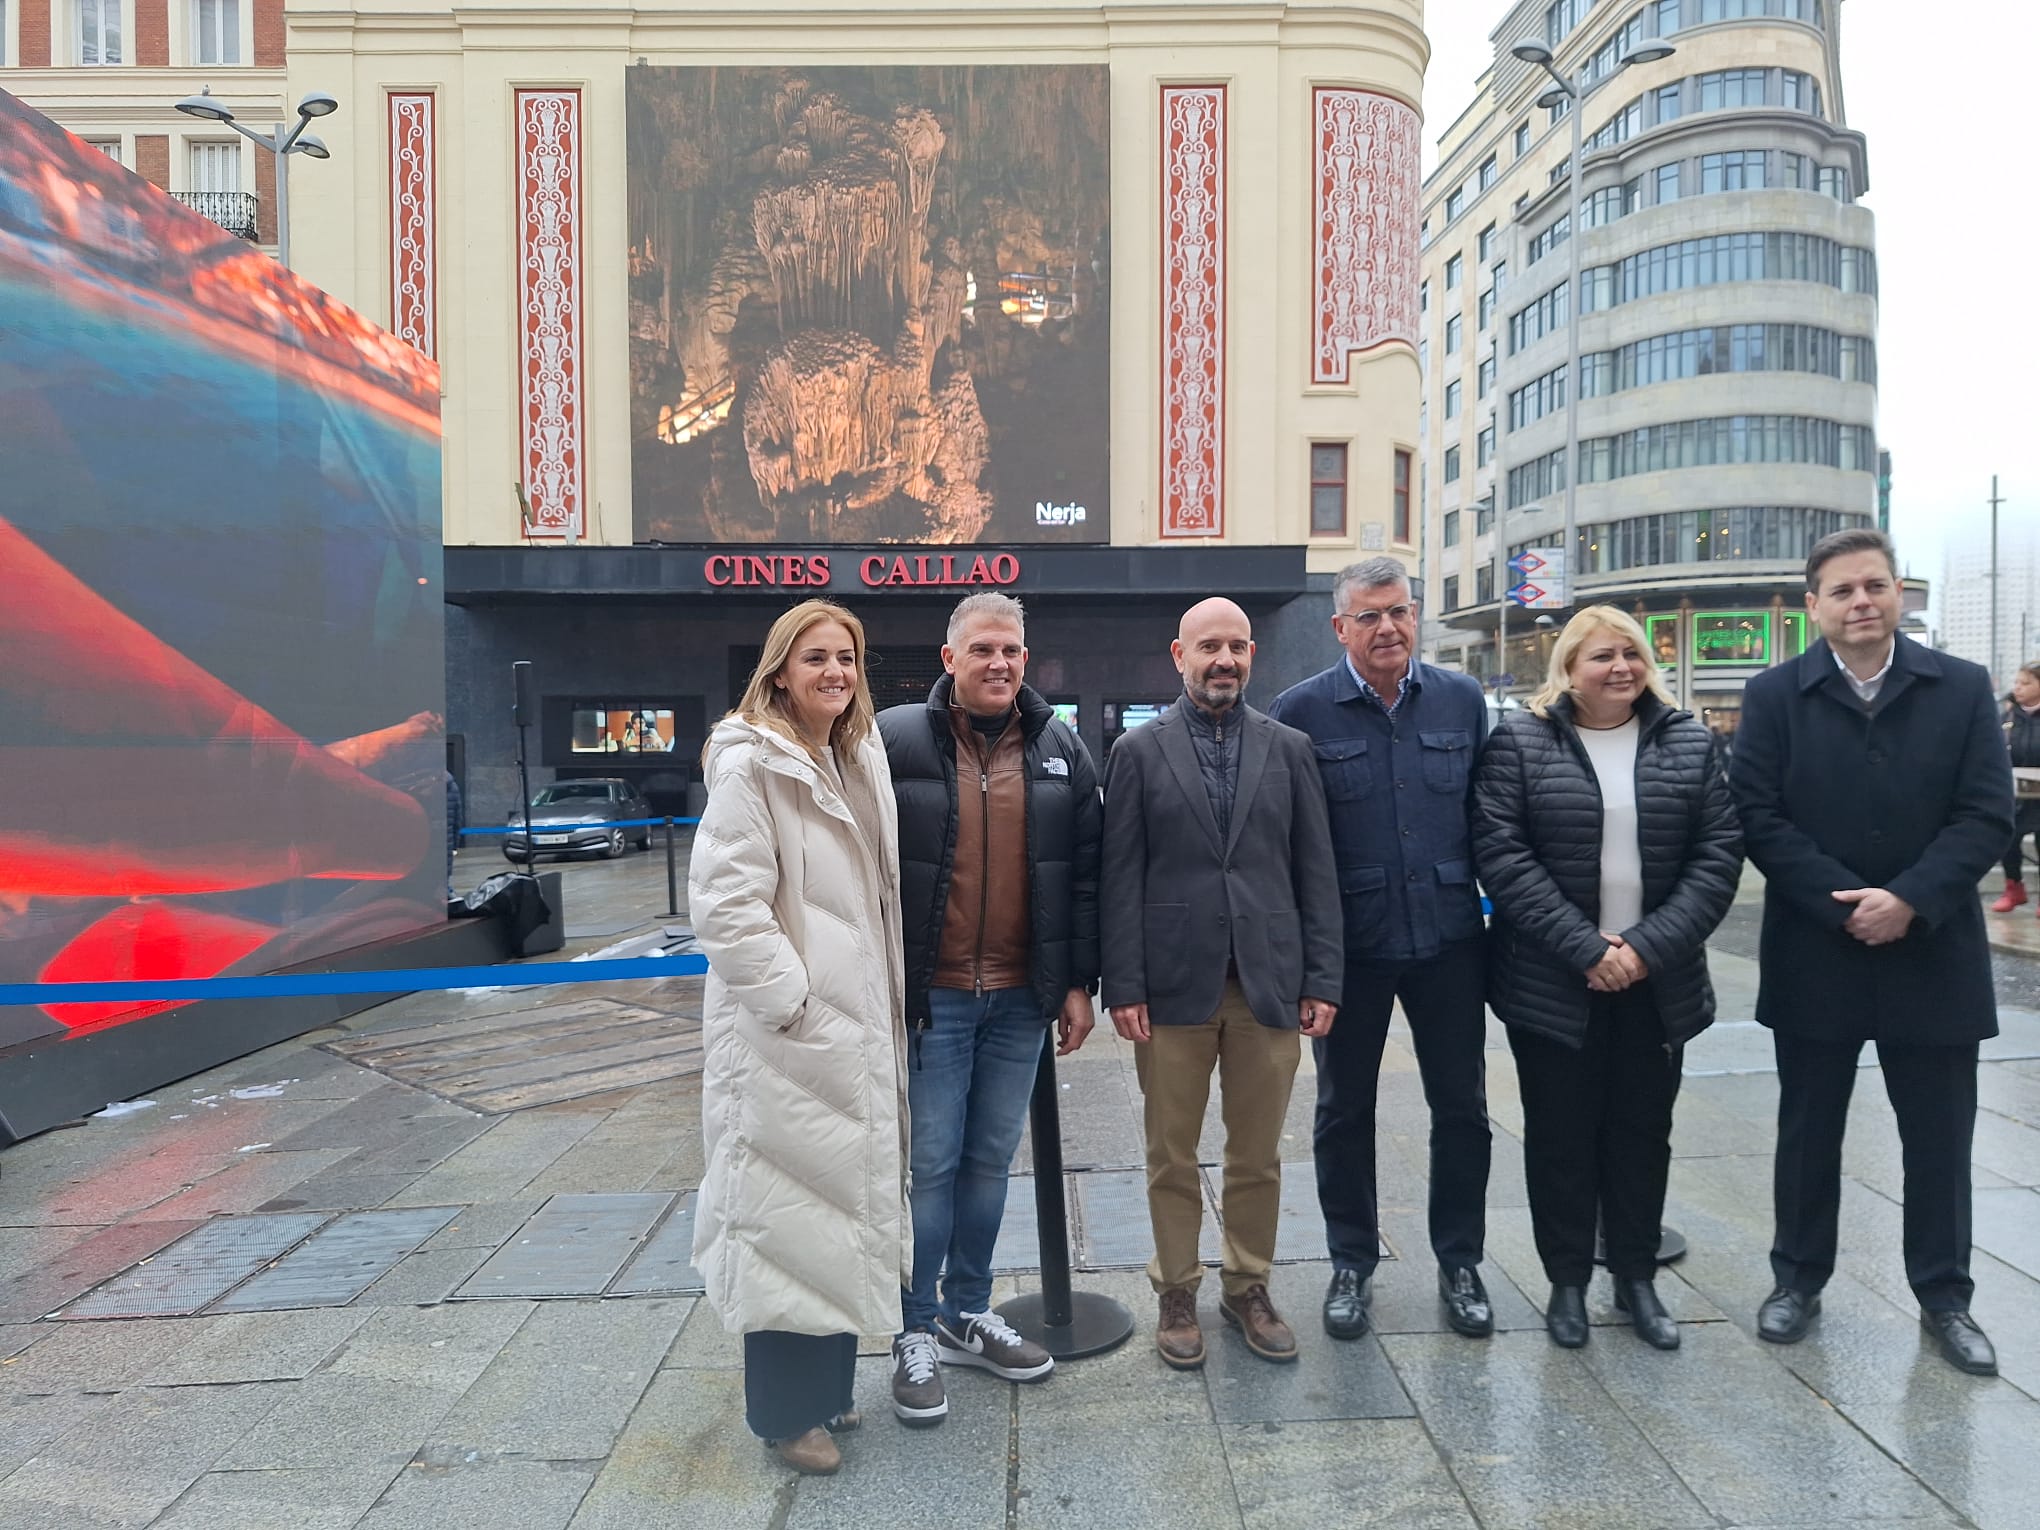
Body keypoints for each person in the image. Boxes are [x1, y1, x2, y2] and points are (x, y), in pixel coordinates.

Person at [1731, 529, 2013, 1376]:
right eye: (1843, 590)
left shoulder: (1960, 689)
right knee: (1809, 1130)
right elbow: (1758, 814)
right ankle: (1796, 1280)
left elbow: (1986, 813)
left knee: (1938, 1138)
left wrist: (1911, 900)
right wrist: (1843, 904)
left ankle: (1945, 1295)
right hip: (1820, 950)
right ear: (1813, 605)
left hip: (1933, 951)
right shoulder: (1776, 694)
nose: (1862, 602)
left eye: (1876, 587)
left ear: (1901, 596)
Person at [1471, 607, 1742, 1350]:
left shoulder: (1687, 740)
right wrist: (1587, 949)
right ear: (1568, 667)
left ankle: (1635, 1277)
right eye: (1601, 656)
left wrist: (1643, 949)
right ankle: (1565, 1282)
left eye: (1631, 654)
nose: (1620, 668)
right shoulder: (1521, 743)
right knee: (1560, 1136)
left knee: (1641, 1133)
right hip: (1553, 986)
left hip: (1658, 984)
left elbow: (1717, 858)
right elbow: (1502, 856)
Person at [687, 599, 909, 1474]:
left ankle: (825, 1390)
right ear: (780, 668)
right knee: (784, 1217)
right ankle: (785, 1418)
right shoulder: (754, 765)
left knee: (833, 1210)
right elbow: (727, 905)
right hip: (792, 1040)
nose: (835, 674)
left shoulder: (848, 755)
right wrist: (796, 1004)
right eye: (816, 658)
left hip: (847, 1033)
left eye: (847, 659)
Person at [876, 591, 1101, 1424]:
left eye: (1010, 650)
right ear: (950, 659)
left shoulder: (1058, 746)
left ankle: (969, 1311)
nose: (999, 663)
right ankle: (913, 1328)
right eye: (982, 650)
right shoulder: (893, 739)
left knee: (988, 1162)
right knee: (929, 1168)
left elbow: (1084, 877)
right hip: (932, 1002)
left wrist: (1078, 982)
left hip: (1018, 1001)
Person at [1101, 597, 1343, 1368]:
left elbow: (1316, 871)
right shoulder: (1138, 752)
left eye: (1237, 647)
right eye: (1210, 646)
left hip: (1268, 984)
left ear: (1251, 657)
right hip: (1172, 987)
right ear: (1179, 655)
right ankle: (1176, 1288)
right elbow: (1120, 878)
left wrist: (1323, 977)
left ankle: (1248, 1285)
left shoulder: (1291, 748)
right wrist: (1124, 984)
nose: (1225, 660)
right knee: (1170, 1152)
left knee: (1258, 1154)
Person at [1269, 557, 1498, 1342]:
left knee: (1463, 1108)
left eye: (1399, 611)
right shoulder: (1300, 712)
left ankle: (1460, 1260)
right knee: (1342, 1112)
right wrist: (1304, 960)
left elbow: (1488, 819)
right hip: (1351, 951)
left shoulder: (1463, 701)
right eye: (1369, 616)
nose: (1388, 628)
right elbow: (1291, 847)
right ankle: (1350, 1263)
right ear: (1340, 628)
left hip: (1450, 940)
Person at [1992, 662, 2040, 914]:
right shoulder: (2007, 717)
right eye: (2017, 682)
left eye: (2026, 683)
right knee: (2008, 840)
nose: (2018, 688)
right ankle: (2013, 888)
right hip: (2014, 793)